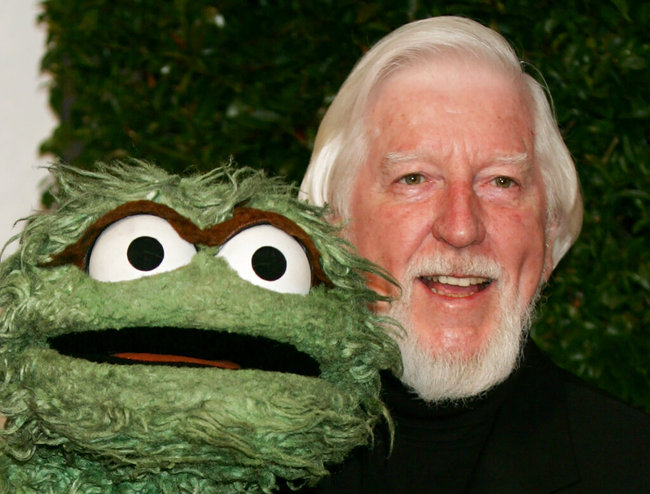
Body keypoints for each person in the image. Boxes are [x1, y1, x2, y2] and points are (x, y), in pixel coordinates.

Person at [297, 16, 650, 493]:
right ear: (335, 225)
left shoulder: (631, 464)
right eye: (415, 179)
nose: (461, 228)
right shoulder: (229, 461)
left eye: (502, 182)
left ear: (549, 235)